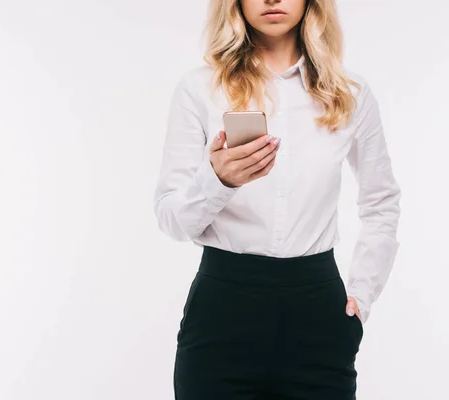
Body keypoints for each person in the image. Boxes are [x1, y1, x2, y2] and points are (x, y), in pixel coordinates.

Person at [152, 0, 401, 398]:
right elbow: (170, 217)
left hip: (318, 313)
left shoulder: (349, 93)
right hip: (222, 312)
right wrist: (219, 180)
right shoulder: (200, 89)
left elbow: (381, 201)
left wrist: (362, 297)